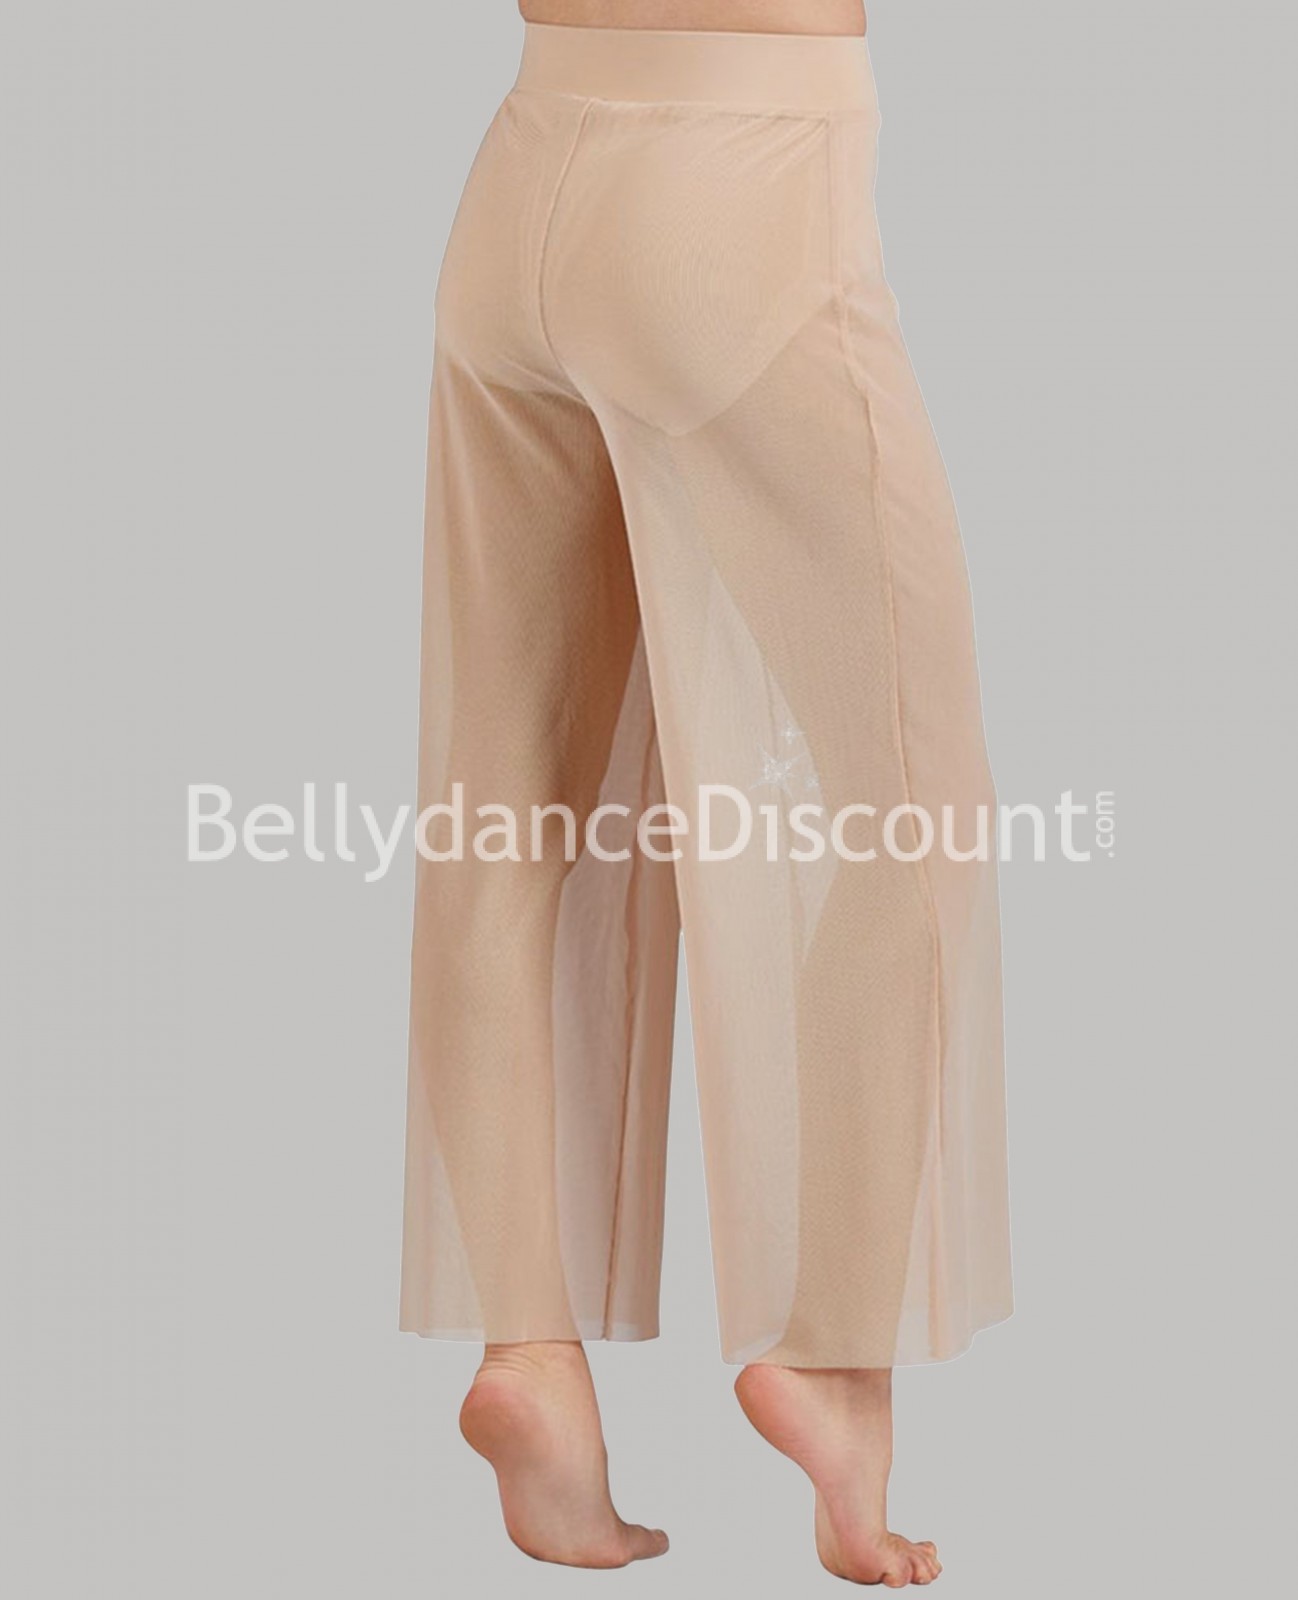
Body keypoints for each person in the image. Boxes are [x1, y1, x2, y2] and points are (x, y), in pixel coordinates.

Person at [400, 0, 1012, 1582]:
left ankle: (529, 1354)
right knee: (906, 799)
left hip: (518, 184)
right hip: (740, 182)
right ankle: (831, 1349)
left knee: (502, 806)